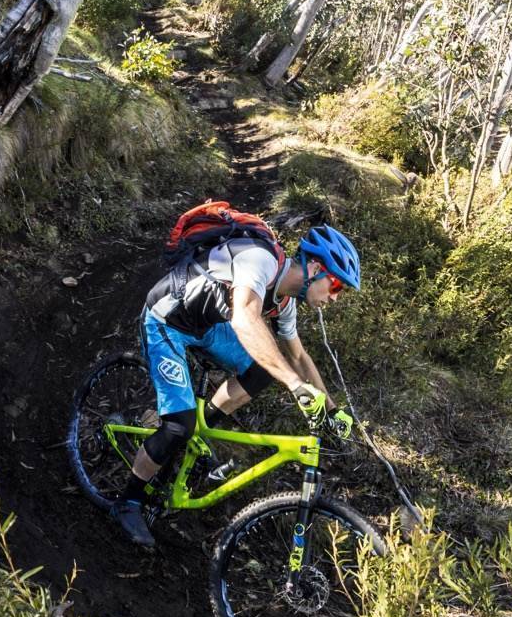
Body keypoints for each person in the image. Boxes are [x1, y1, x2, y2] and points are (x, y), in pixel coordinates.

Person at [112, 223, 361, 547]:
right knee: (178, 426)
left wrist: (332, 411)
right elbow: (245, 318)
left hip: (208, 327)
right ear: (315, 268)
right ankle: (128, 501)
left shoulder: (285, 303)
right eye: (336, 286)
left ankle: (203, 428)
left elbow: (298, 357)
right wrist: (296, 386)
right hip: (167, 320)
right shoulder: (260, 261)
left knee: (262, 370)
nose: (334, 298)